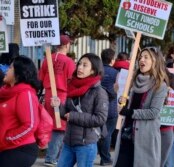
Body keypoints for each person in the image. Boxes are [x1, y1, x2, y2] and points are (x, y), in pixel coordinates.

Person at [113, 47, 169, 167]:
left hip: (145, 137)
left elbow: (153, 112)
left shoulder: (160, 85)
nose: (141, 60)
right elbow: (129, 104)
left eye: (146, 57)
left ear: (155, 61)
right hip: (126, 135)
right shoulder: (133, 81)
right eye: (140, 57)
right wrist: (122, 100)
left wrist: (129, 112)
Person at [51, 53, 109, 167]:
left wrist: (73, 116)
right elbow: (65, 114)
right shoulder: (72, 86)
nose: (80, 67)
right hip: (68, 142)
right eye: (79, 64)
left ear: (93, 70)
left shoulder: (99, 92)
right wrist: (58, 106)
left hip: (86, 145)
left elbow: (100, 119)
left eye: (85, 65)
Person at [39, 35, 76, 166]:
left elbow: (41, 78)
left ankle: (52, 155)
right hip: (62, 95)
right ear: (67, 45)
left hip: (48, 93)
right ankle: (52, 157)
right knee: (59, 127)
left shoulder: (46, 59)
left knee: (51, 125)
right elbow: (73, 81)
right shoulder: (69, 62)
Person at [0, 56, 41, 167]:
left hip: (20, 149)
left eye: (10, 68)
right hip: (5, 147)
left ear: (18, 73)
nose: (6, 70)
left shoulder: (25, 93)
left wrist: (8, 137)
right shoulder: (5, 92)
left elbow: (30, 125)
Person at [98, 48, 119, 166]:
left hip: (97, 107)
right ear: (112, 59)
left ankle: (103, 156)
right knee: (107, 134)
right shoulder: (116, 73)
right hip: (111, 108)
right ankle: (105, 158)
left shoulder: (97, 71)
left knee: (99, 133)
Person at [160, 67, 174, 167]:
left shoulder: (171, 78)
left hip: (165, 128)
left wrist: (171, 93)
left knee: (164, 162)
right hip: (147, 128)